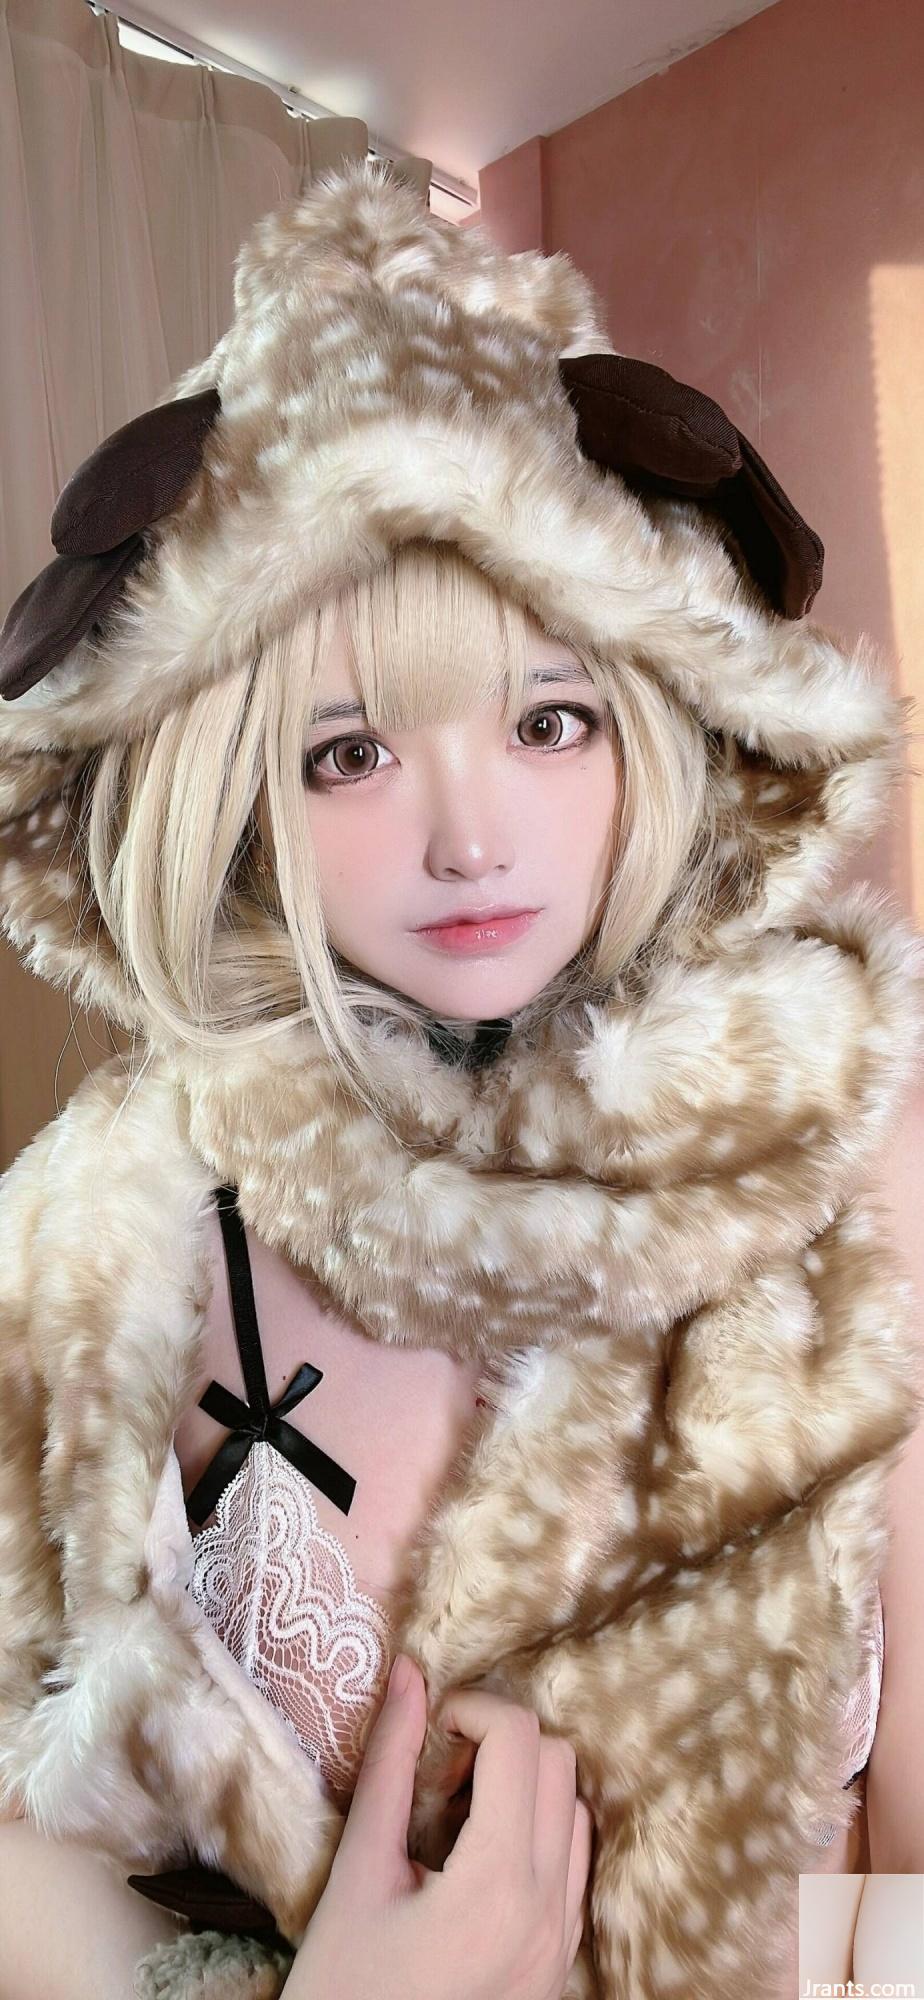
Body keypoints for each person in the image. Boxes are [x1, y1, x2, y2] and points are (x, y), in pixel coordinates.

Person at [0, 148, 921, 2000]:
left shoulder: (851, 1141)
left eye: (550, 718)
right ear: (236, 795)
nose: (470, 837)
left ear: (653, 723)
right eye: (347, 753)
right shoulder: (95, 1240)